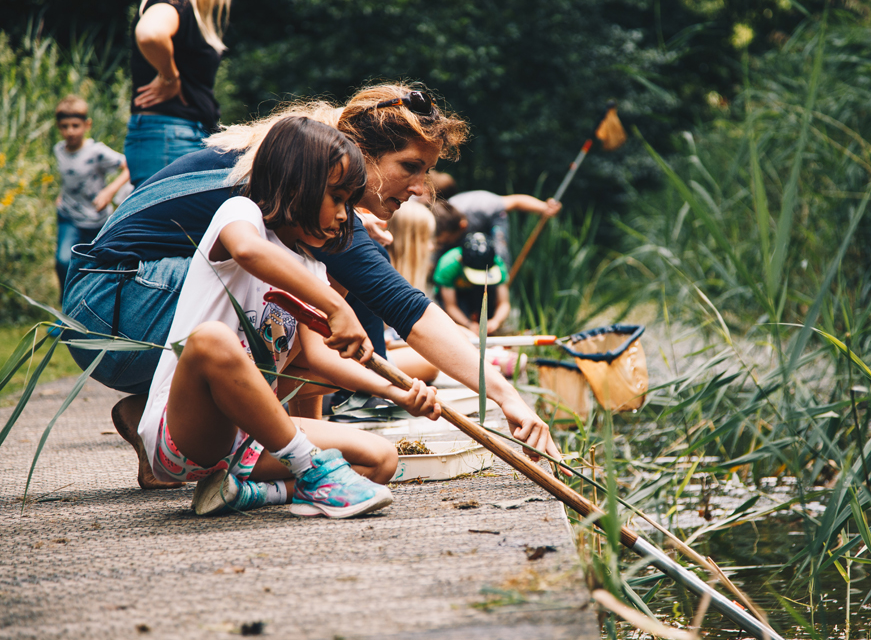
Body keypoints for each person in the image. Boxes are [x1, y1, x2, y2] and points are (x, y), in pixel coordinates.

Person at [62, 84, 560, 489]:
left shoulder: (310, 183)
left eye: (427, 173)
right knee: (268, 316)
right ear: (360, 154)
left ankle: (159, 422)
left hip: (114, 306)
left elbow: (322, 356)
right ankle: (243, 444)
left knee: (291, 329)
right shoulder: (300, 192)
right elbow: (411, 310)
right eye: (409, 167)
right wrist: (505, 395)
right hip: (107, 303)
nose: (419, 190)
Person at [140, 116, 441, 518]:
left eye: (350, 203)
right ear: (299, 187)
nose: (344, 217)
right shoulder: (239, 215)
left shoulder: (312, 268)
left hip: (253, 438)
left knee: (381, 460)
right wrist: (337, 307)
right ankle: (313, 471)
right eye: (337, 199)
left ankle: (248, 493)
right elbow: (249, 252)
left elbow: (321, 359)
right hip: (189, 434)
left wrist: (396, 392)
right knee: (212, 339)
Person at [124, 0, 243, 187]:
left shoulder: (187, 6)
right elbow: (150, 33)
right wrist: (170, 77)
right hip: (170, 136)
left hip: (181, 134)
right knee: (166, 220)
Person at [52, 95, 130, 296]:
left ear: (87, 125)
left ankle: (90, 306)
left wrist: (109, 191)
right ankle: (65, 309)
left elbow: (128, 166)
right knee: (63, 261)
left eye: (75, 125)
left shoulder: (97, 152)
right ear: (58, 127)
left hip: (96, 219)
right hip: (68, 216)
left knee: (93, 266)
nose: (70, 131)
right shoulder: (59, 150)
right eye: (64, 126)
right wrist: (62, 194)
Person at [429, 171, 562, 265]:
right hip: (461, 232)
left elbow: (515, 201)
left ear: (462, 225)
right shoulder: (440, 215)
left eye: (446, 240)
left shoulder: (483, 205)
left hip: (492, 221)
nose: (443, 244)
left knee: (498, 256)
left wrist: (544, 207)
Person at [384, 201, 438, 384]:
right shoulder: (382, 282)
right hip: (359, 364)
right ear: (409, 241)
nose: (431, 247)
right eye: (427, 238)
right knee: (430, 362)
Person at [434, 232, 510, 336]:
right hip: (458, 295)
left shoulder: (497, 264)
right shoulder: (448, 265)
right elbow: (450, 305)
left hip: (483, 292)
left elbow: (503, 303)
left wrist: (495, 321)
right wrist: (468, 324)